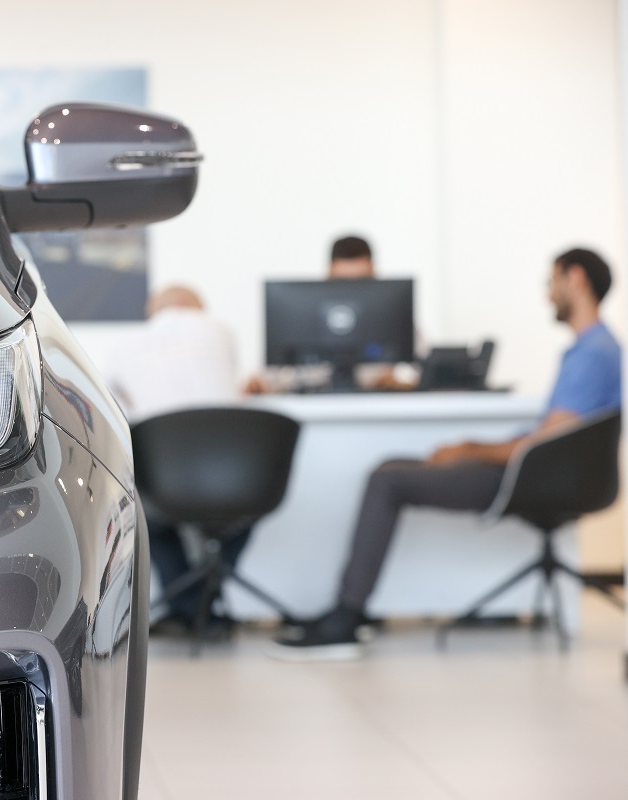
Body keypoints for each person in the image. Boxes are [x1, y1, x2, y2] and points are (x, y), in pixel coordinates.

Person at [270, 248, 622, 660]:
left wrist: (470, 449)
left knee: (387, 480)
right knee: (390, 469)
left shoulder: (592, 353)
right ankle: (350, 613)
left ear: (575, 279)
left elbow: (545, 441)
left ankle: (347, 617)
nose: (547, 294)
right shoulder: (597, 347)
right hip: (539, 472)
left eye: (551, 282)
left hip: (528, 478)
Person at [103, 286, 248, 633]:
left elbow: (113, 402)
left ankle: (188, 605)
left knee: (149, 518)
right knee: (246, 515)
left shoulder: (123, 345)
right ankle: (202, 604)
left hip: (167, 487)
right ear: (196, 307)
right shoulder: (222, 331)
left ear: (155, 310)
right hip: (238, 484)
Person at [246, 234, 413, 393]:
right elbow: (266, 376)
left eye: (362, 283)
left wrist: (398, 381)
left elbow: (420, 373)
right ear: (328, 274)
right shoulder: (299, 319)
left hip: (376, 409)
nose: (352, 292)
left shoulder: (396, 320)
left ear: (374, 273)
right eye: (342, 282)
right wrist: (261, 385)